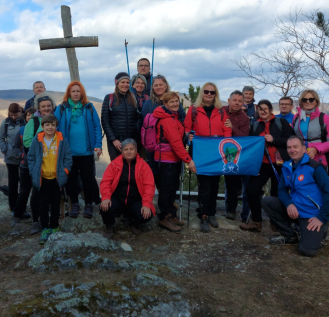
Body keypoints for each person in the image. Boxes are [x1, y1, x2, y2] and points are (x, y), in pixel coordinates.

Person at [262, 136, 329, 257]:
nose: (292, 150)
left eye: (296, 147)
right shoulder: (287, 166)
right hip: (295, 210)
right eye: (289, 147)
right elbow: (281, 190)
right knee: (268, 201)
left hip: (312, 214)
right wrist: (289, 204)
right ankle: (290, 235)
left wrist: (321, 217)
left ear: (304, 149)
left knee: (308, 251)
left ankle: (320, 232)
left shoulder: (314, 167)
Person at [240, 100, 295, 232]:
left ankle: (275, 222)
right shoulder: (255, 126)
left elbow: (291, 140)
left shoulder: (280, 123)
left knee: (277, 193)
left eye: (265, 109)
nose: (263, 111)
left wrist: (274, 140)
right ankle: (256, 222)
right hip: (262, 164)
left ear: (270, 110)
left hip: (279, 164)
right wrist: (252, 166)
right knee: (252, 189)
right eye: (260, 109)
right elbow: (251, 147)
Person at [184, 83, 232, 233]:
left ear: (215, 94)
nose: (209, 94)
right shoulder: (193, 110)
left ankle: (211, 213)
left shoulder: (222, 111)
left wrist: (227, 147)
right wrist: (188, 135)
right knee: (204, 184)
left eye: (212, 92)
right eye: (206, 91)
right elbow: (186, 128)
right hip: (200, 151)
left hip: (217, 152)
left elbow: (227, 130)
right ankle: (204, 215)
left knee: (215, 184)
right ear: (202, 93)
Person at [54, 81, 103, 219]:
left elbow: (97, 127)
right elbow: (55, 128)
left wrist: (98, 145)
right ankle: (74, 204)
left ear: (82, 93)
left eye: (78, 91)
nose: (76, 93)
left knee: (88, 178)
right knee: (71, 179)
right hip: (69, 152)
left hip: (87, 151)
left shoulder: (89, 107)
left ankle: (88, 204)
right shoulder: (62, 108)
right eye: (73, 91)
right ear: (69, 93)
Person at [151, 92, 197, 232]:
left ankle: (171, 214)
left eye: (176, 101)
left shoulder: (173, 117)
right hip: (166, 160)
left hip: (173, 159)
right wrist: (189, 160)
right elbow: (176, 143)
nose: (175, 104)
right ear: (165, 104)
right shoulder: (167, 120)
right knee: (166, 189)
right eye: (171, 102)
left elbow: (179, 138)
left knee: (172, 188)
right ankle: (164, 218)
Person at [27, 114, 73, 244]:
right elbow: (30, 157)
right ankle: (45, 228)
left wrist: (65, 171)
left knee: (55, 204)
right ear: (42, 126)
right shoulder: (37, 140)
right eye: (47, 125)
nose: (50, 127)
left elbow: (68, 157)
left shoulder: (61, 139)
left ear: (56, 126)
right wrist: (33, 171)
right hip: (42, 178)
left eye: (53, 125)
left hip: (56, 178)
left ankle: (54, 227)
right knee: (43, 205)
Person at [99, 139, 155, 239]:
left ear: (136, 150)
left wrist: (146, 204)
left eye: (131, 149)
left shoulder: (144, 166)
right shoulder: (114, 164)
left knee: (147, 215)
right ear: (122, 151)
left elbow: (149, 186)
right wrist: (106, 197)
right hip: (118, 199)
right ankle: (109, 226)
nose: (129, 151)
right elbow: (105, 182)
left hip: (135, 200)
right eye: (126, 149)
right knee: (104, 206)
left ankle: (133, 221)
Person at [12, 108, 41, 235]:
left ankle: (36, 219)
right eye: (28, 115)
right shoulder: (22, 130)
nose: (30, 117)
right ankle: (17, 215)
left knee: (36, 192)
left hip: (38, 165)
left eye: (32, 115)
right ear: (25, 117)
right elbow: (15, 147)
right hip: (25, 166)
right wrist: (21, 156)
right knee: (24, 191)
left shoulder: (40, 126)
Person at [292, 89, 329, 170]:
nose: (308, 102)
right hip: (298, 159)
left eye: (311, 99)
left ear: (316, 101)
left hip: (319, 160)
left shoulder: (325, 118)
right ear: (301, 102)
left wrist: (316, 149)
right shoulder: (296, 117)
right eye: (304, 99)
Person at [222, 90, 250, 220]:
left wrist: (232, 127)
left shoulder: (244, 118)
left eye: (240, 101)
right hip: (216, 149)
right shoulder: (220, 110)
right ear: (229, 101)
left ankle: (231, 209)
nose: (237, 103)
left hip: (232, 152)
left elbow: (244, 137)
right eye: (235, 100)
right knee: (210, 179)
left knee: (232, 182)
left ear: (243, 103)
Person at [102, 72, 142, 160]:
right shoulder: (109, 98)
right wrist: (113, 139)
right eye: (123, 82)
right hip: (116, 142)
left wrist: (136, 131)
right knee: (117, 167)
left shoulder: (134, 98)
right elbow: (105, 120)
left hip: (132, 141)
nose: (125, 85)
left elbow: (139, 117)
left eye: (127, 82)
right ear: (117, 83)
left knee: (131, 169)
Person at [0, 103, 25, 221]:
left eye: (16, 114)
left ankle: (22, 208)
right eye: (12, 115)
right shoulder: (5, 123)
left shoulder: (25, 122)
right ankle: (13, 208)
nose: (14, 117)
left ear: (21, 112)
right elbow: (0, 137)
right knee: (13, 183)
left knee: (24, 184)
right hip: (10, 158)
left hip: (24, 157)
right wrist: (4, 149)